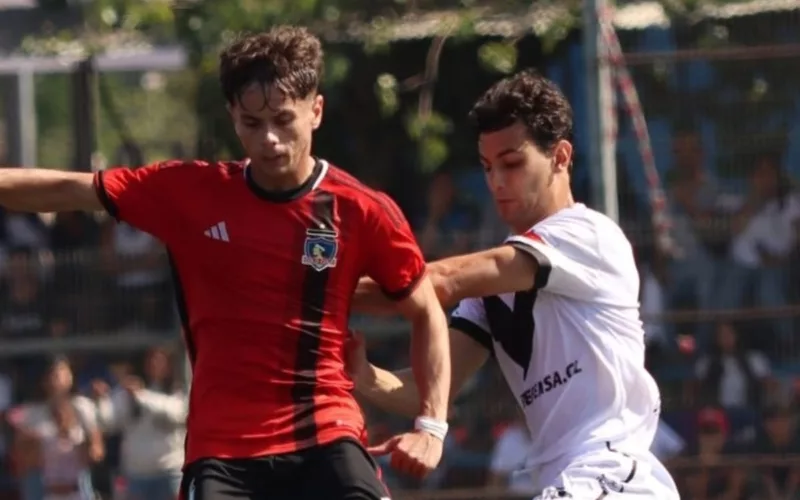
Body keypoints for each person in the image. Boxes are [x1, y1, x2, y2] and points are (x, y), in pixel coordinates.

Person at [0, 26, 452, 500]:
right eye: (253, 124)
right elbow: (68, 189)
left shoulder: (361, 209)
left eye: (284, 119)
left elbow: (426, 312)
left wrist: (432, 426)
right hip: (223, 453)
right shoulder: (190, 193)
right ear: (233, 117)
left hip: (326, 434)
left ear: (315, 110)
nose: (271, 140)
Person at [349, 70, 679, 499]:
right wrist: (363, 375)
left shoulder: (585, 234)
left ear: (560, 157)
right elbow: (430, 390)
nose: (497, 182)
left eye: (512, 163)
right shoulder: (497, 284)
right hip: (566, 480)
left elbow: (440, 281)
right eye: (488, 168)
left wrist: (314, 285)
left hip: (611, 475)